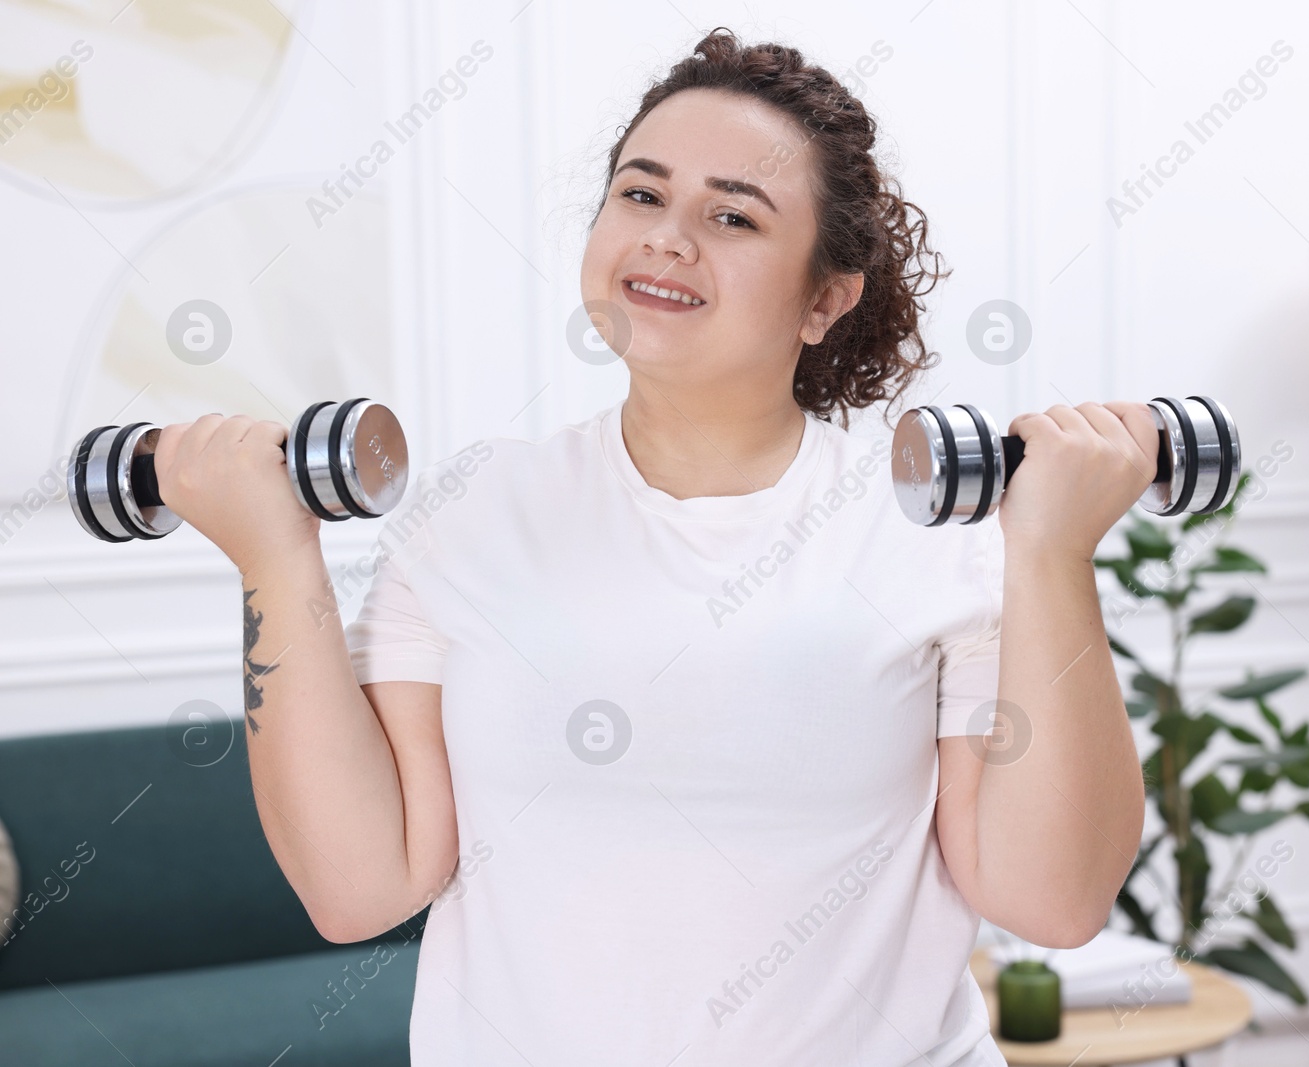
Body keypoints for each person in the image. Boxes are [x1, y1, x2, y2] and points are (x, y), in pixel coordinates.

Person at [153, 27, 1153, 1067]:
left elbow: (1053, 897)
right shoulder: (476, 512)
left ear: (825, 298)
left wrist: (1051, 556)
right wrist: (276, 561)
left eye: (731, 214)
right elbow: (360, 885)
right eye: (640, 194)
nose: (669, 238)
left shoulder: (932, 535)